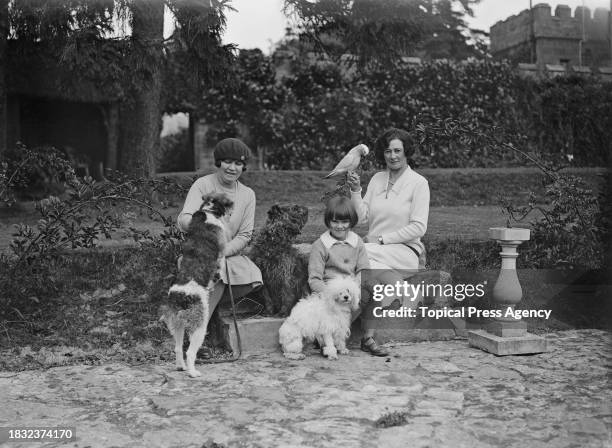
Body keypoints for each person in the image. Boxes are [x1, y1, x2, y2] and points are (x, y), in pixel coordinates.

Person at [347, 127, 430, 355]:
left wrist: (382, 239)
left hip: (405, 251)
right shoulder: (376, 179)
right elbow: (362, 217)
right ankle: (368, 338)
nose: (392, 156)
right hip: (376, 253)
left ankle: (338, 329)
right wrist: (355, 190)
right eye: (387, 151)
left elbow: (418, 227)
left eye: (397, 150)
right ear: (382, 154)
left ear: (407, 152)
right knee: (366, 273)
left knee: (357, 252)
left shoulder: (418, 183)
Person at [177, 138, 263, 327]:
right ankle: (198, 332)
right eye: (228, 162)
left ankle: (201, 318)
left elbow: (245, 235)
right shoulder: (203, 185)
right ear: (218, 162)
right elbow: (184, 219)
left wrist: (222, 251)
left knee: (246, 276)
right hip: (200, 252)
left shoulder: (248, 195)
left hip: (229, 255)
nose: (232, 168)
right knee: (214, 271)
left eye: (238, 164)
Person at [308, 196, 370, 295]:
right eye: (335, 221)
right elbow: (315, 279)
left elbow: (364, 270)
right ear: (328, 221)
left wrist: (355, 288)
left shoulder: (357, 242)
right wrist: (331, 294)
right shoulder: (320, 245)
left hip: (352, 290)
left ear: (351, 222)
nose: (339, 226)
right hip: (328, 292)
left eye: (345, 222)